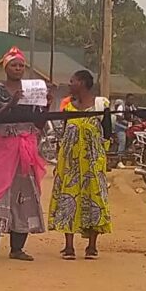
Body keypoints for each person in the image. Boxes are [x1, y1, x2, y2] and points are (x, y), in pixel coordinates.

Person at [0, 48, 45, 262]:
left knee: (25, 197)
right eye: (14, 65)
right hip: (5, 148)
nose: (18, 69)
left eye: (21, 65)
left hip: (27, 150)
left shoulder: (31, 90)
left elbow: (39, 123)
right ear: (5, 67)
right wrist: (11, 104)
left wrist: (47, 106)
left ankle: (17, 248)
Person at [48, 69, 110, 260]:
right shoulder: (68, 109)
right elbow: (65, 135)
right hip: (71, 164)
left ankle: (92, 247)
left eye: (72, 80)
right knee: (68, 200)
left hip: (93, 162)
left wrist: (102, 160)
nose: (69, 84)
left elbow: (107, 133)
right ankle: (69, 247)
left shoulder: (102, 105)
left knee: (94, 200)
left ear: (82, 83)